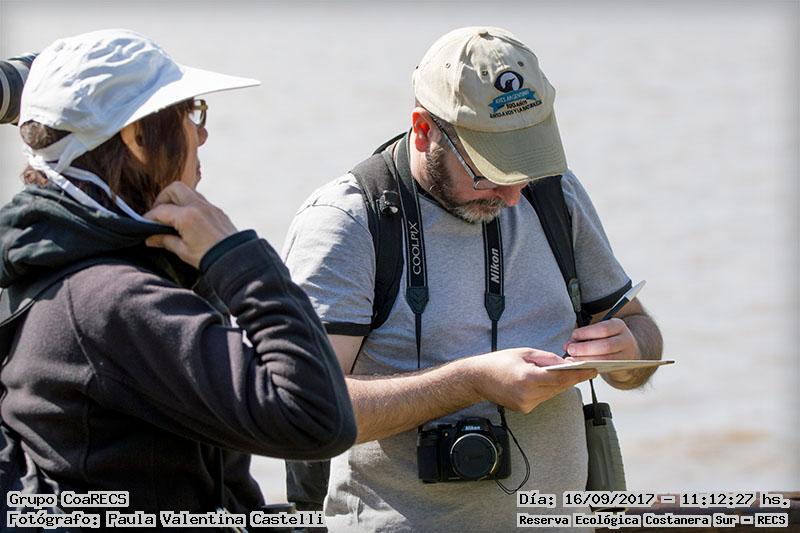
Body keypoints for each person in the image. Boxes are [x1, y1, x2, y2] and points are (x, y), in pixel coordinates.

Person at [281, 27, 663, 532]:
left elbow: (640, 335)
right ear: (423, 130)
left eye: (524, 166)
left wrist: (628, 354)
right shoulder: (348, 221)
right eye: (489, 170)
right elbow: (308, 409)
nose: (512, 195)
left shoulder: (556, 194)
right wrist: (472, 382)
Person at [0, 29, 356, 519]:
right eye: (190, 113)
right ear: (136, 137)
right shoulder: (111, 301)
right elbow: (317, 419)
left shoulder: (50, 261)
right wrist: (235, 254)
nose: (201, 134)